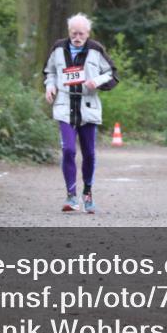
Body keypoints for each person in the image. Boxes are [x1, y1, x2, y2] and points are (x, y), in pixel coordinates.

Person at [44, 13, 119, 214]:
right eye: (74, 33)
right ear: (69, 32)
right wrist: (50, 86)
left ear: (88, 34)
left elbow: (111, 73)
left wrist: (97, 81)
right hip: (64, 106)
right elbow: (49, 71)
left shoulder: (96, 49)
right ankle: (71, 196)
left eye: (81, 34)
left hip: (88, 107)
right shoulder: (58, 48)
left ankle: (87, 194)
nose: (77, 37)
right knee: (68, 150)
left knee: (89, 153)